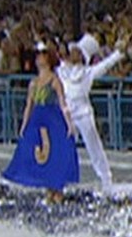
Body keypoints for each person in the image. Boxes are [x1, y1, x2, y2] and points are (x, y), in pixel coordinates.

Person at [5, 45, 79, 202]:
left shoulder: (54, 80)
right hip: (37, 120)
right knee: (38, 151)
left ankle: (57, 187)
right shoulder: (33, 83)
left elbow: (62, 103)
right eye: (38, 56)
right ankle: (47, 186)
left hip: (53, 120)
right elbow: (29, 105)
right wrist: (24, 125)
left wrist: (69, 123)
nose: (38, 59)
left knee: (55, 151)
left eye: (42, 56)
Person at [57, 33, 124, 191]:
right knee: (63, 144)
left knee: (94, 146)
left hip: (84, 113)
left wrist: (118, 53)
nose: (71, 52)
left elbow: (106, 65)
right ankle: (62, 176)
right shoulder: (62, 70)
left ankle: (106, 178)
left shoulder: (88, 73)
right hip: (68, 113)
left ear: (81, 55)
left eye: (75, 51)